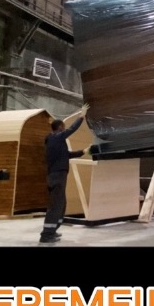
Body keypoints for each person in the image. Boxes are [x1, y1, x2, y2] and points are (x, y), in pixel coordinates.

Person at [39, 103, 90, 244]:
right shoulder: (56, 138)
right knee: (56, 205)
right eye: (63, 127)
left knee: (61, 205)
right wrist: (82, 116)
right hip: (57, 176)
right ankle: (46, 235)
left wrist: (83, 151)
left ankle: (52, 230)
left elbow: (67, 155)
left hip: (56, 176)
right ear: (60, 127)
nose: (64, 129)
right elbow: (72, 129)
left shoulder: (54, 142)